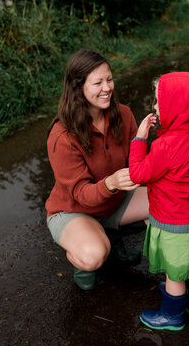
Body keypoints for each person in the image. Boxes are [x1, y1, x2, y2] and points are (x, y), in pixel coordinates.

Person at [45, 49, 149, 291]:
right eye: (98, 82)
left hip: (114, 202)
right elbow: (81, 193)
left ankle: (112, 238)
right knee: (93, 255)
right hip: (73, 210)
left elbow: (139, 160)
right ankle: (86, 262)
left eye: (109, 79)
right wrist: (111, 182)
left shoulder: (123, 114)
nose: (107, 88)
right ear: (78, 87)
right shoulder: (62, 135)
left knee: (169, 202)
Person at [129, 72, 189, 330]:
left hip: (173, 222)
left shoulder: (164, 146)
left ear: (177, 108)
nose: (155, 107)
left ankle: (172, 316)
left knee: (175, 274)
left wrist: (139, 139)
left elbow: (138, 174)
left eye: (158, 102)